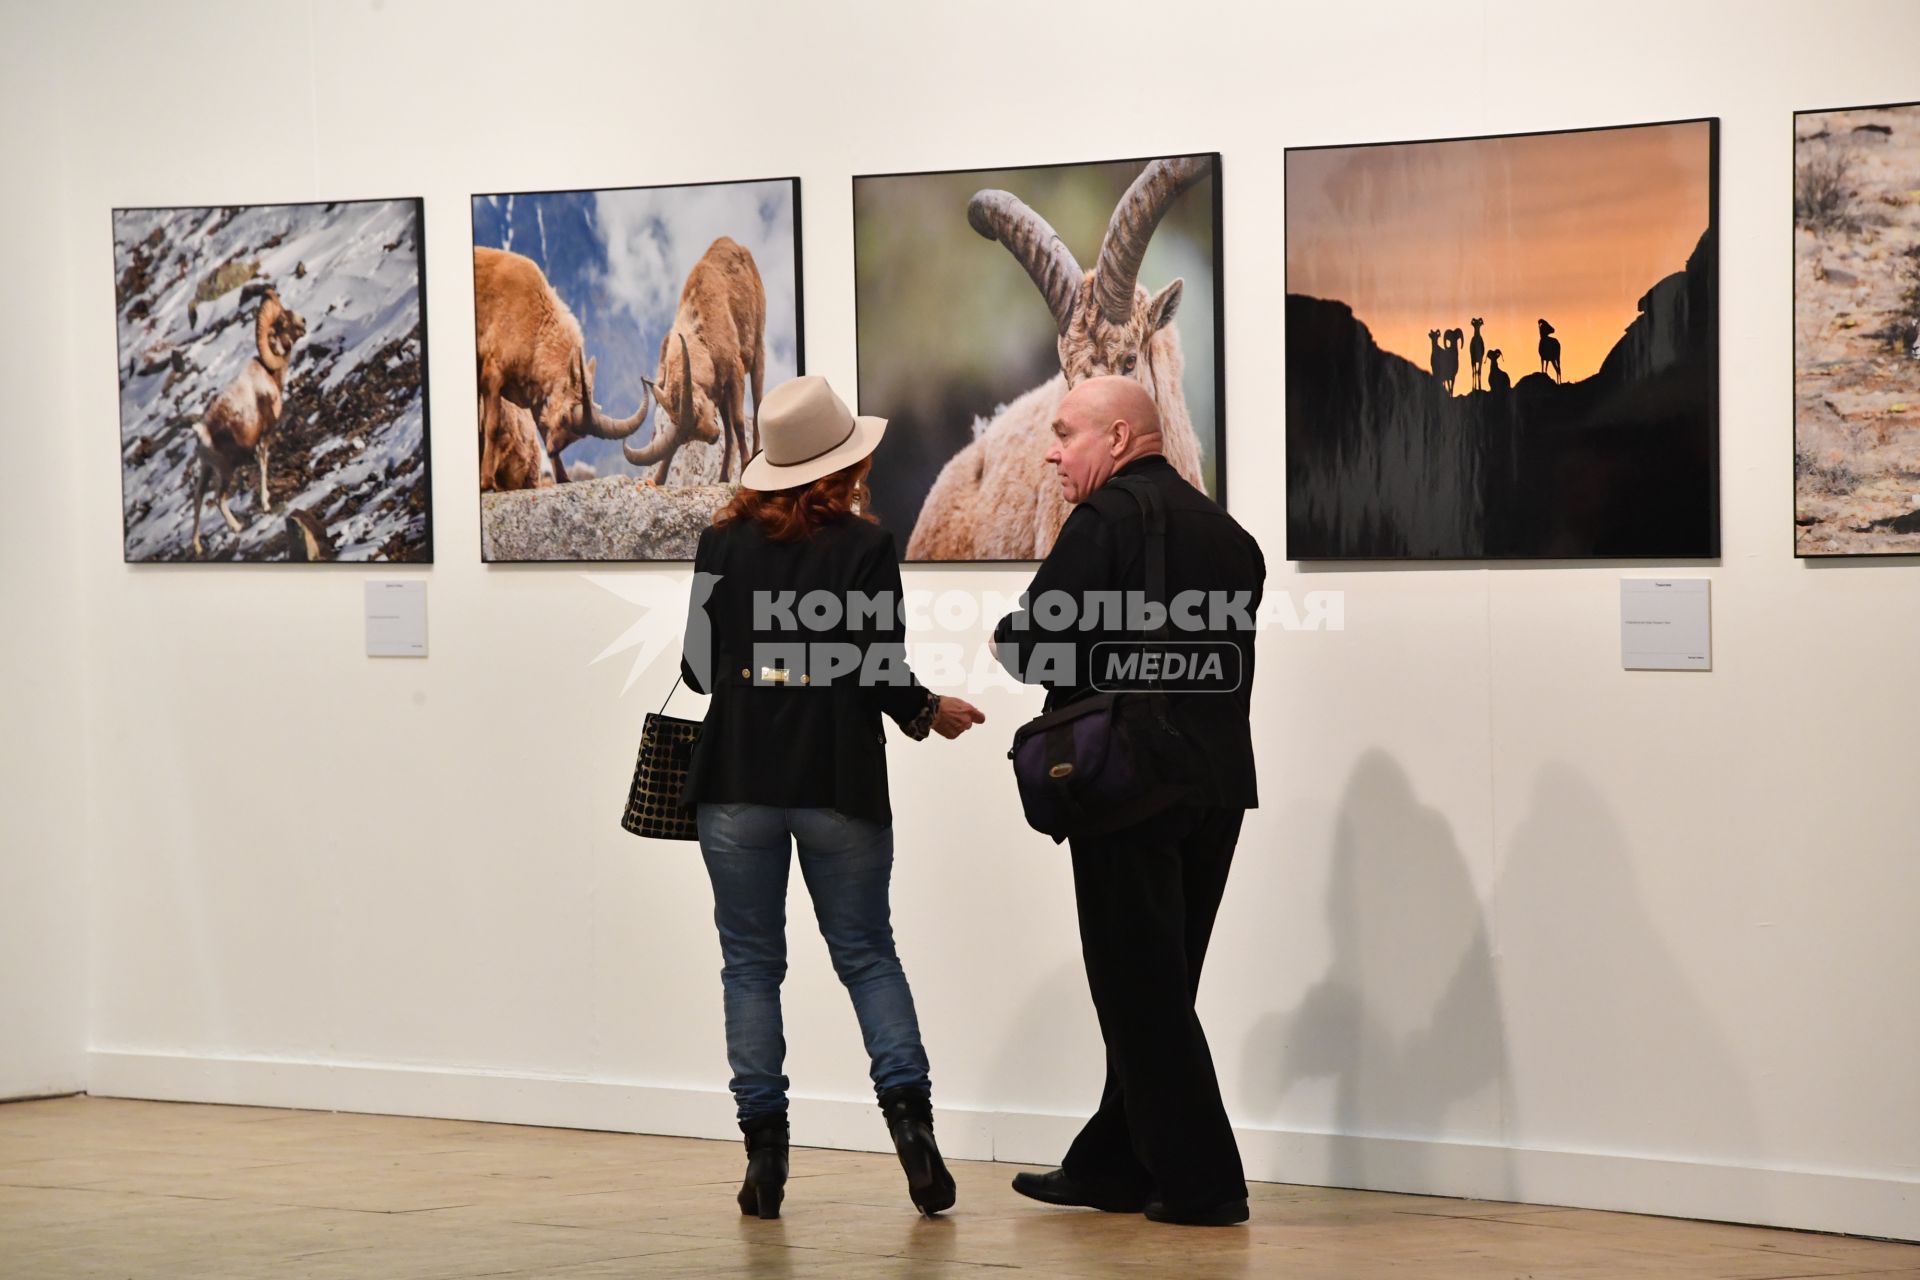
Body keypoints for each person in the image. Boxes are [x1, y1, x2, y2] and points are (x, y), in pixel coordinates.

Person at [677, 374, 986, 1220]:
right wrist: (930, 712)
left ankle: (764, 1167)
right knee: (868, 957)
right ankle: (915, 1143)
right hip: (839, 786)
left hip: (736, 785)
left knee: (750, 968)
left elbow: (698, 670)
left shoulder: (722, 545)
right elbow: (880, 671)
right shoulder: (863, 549)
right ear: (841, 464)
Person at [991, 375, 1265, 1227]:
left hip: (1128, 789)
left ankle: (1204, 1185)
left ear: (1118, 438)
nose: (1049, 449)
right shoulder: (1231, 536)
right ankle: (1112, 1164)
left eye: (1065, 432)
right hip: (1216, 786)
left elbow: (1034, 648)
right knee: (1159, 981)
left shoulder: (1105, 521)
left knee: (1136, 990)